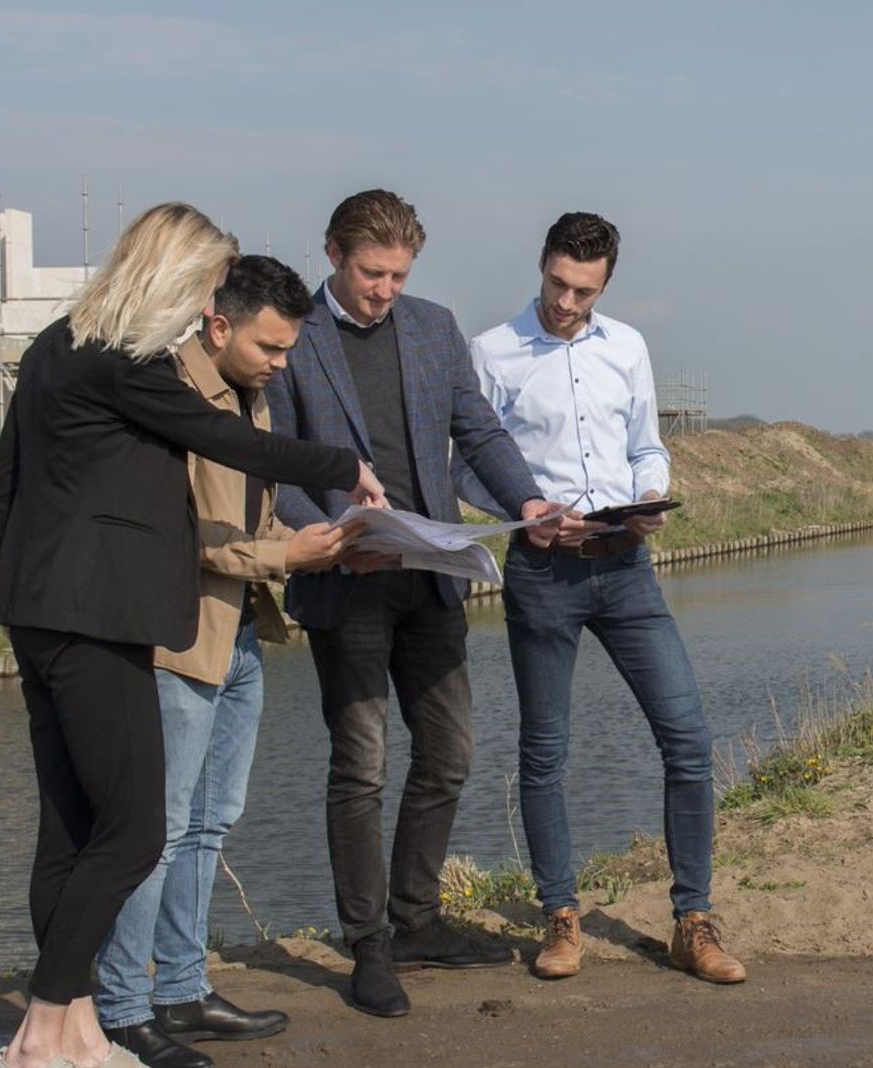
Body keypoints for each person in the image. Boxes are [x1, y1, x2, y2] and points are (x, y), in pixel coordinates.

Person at [0, 204, 382, 1068]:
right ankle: (47, 1028)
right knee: (132, 832)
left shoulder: (55, 346)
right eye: (206, 288)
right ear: (175, 277)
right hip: (100, 624)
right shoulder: (125, 362)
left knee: (71, 832)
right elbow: (223, 439)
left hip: (42, 616)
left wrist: (10, 598)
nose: (209, 308)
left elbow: (0, 487)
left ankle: (72, 1022)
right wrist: (344, 467)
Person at [265, 189, 561, 1017]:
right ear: (332, 254)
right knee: (361, 767)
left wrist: (528, 501)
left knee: (451, 753)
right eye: (372, 272)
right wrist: (325, 529)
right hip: (345, 580)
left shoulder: (434, 326)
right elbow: (276, 467)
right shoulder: (295, 336)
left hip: (429, 579)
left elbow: (480, 432)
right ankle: (368, 950)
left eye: (398, 274)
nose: (385, 289)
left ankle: (417, 918)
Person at [460, 212, 745, 985]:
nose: (565, 302)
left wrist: (651, 493)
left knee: (687, 736)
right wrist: (524, 510)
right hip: (543, 571)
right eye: (556, 284)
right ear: (542, 266)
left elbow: (647, 445)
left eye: (582, 291)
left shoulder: (628, 348)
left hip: (627, 568)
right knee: (545, 752)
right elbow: (463, 470)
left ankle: (693, 920)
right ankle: (560, 917)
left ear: (606, 283)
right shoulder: (491, 353)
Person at [91, 256, 353, 1068]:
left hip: (239, 631)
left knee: (211, 821)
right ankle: (123, 1006)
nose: (282, 363)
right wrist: (286, 555)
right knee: (157, 830)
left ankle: (181, 987)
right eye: (271, 348)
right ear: (217, 325)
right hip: (180, 637)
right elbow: (175, 536)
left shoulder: (252, 397)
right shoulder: (167, 396)